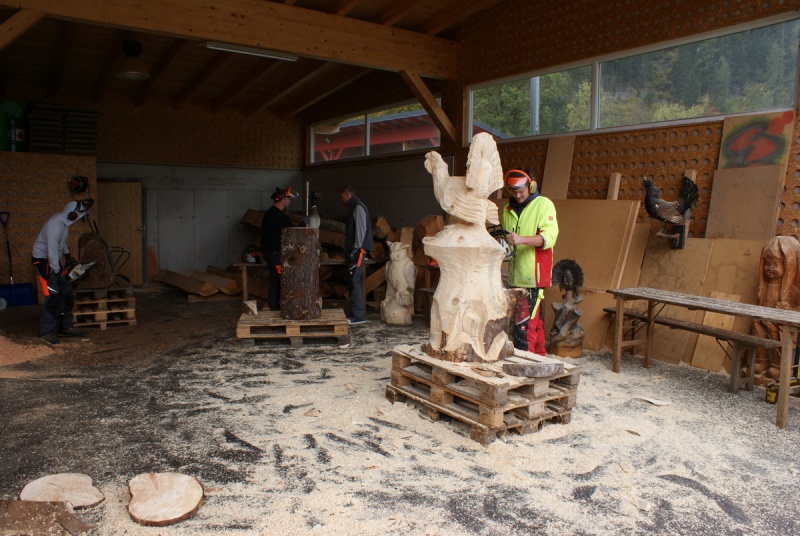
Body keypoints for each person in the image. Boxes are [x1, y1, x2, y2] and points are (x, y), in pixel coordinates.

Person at [501, 168, 559, 355]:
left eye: (521, 191)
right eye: (513, 191)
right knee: (533, 322)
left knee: (523, 326)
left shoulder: (543, 204)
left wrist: (521, 239)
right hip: (515, 274)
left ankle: (524, 364)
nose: (517, 195)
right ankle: (540, 359)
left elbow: (549, 238)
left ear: (531, 186)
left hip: (534, 275)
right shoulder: (507, 209)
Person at [31, 199, 94, 344]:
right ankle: (46, 332)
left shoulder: (63, 224)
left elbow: (61, 242)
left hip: (53, 260)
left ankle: (65, 327)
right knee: (53, 294)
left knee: (66, 292)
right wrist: (59, 273)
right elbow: (52, 252)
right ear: (73, 214)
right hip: (42, 260)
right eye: (80, 214)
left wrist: (67, 256)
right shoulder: (54, 226)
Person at [339, 186, 373, 325]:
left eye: (342, 197)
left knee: (354, 281)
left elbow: (360, 230)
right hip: (357, 250)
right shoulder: (354, 207)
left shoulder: (358, 207)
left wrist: (356, 248)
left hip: (358, 251)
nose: (341, 200)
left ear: (347, 195)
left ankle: (359, 316)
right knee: (352, 281)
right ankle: (354, 312)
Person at [261, 186, 297, 311]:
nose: (289, 201)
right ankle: (277, 307)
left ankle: (274, 306)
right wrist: (304, 224)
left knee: (274, 279)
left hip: (270, 252)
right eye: (288, 199)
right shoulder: (280, 216)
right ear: (282, 200)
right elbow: (292, 231)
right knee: (281, 279)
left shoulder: (270, 213)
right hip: (275, 253)